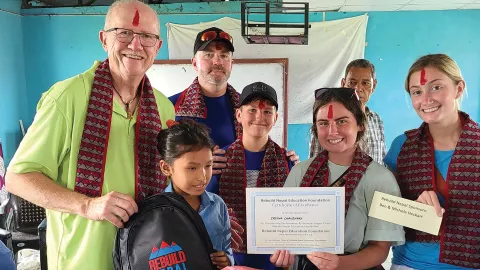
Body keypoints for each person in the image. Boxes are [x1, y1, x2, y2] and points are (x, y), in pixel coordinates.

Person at [5, 1, 175, 269]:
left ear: (158, 47)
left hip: (146, 258)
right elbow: (17, 178)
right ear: (103, 39)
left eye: (146, 36)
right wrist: (87, 205)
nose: (135, 45)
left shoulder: (163, 107)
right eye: (124, 33)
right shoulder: (67, 98)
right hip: (81, 261)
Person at [273, 87, 404, 269]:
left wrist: (339, 263)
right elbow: (287, 233)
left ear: (360, 124)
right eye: (323, 123)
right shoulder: (300, 172)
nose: (332, 131)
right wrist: (284, 254)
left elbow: (380, 248)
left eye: (341, 121)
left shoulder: (381, 179)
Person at [385, 54, 480, 270]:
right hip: (410, 264)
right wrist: (411, 210)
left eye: (436, 87)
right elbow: (383, 210)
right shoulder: (402, 146)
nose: (426, 99)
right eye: (417, 92)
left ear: (459, 88)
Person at [169, 27, 299, 174]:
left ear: (232, 63)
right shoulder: (170, 107)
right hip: (186, 195)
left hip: (238, 192)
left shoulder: (247, 108)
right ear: (194, 63)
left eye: (224, 56)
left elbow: (259, 146)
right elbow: (158, 160)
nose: (217, 62)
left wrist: (283, 159)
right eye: (208, 55)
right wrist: (201, 162)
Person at [207, 82, 295, 269]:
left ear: (276, 117)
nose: (259, 117)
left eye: (267, 112)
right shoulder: (219, 161)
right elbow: (207, 209)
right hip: (228, 259)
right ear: (239, 115)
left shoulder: (287, 162)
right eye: (252, 110)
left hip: (274, 259)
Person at [158, 119, 233, 269]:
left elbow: (226, 249)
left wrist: (227, 259)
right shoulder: (156, 212)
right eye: (192, 168)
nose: (203, 177)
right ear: (166, 168)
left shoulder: (217, 205)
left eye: (208, 165)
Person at [310, 59, 387, 165]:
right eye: (352, 82)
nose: (358, 88)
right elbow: (315, 164)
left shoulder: (376, 119)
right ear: (343, 83)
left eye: (365, 83)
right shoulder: (326, 120)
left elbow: (382, 160)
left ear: (373, 86)